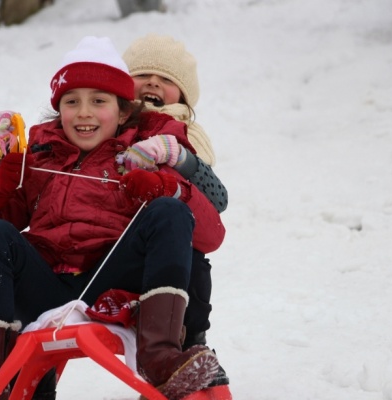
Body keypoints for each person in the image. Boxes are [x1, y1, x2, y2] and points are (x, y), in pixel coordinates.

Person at [0, 36, 226, 400]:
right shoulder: (41, 155)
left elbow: (210, 236)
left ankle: (159, 356)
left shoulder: (148, 148)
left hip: (113, 285)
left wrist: (161, 186)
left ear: (123, 111)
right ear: (58, 109)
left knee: (169, 211)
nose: (84, 112)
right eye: (72, 101)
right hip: (47, 284)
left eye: (98, 101)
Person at [122, 33, 230, 385]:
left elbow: (217, 201)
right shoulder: (107, 121)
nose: (153, 82)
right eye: (143, 75)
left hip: (168, 247)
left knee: (195, 261)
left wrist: (178, 157)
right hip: (113, 243)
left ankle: (192, 344)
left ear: (183, 95)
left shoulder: (188, 134)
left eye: (166, 79)